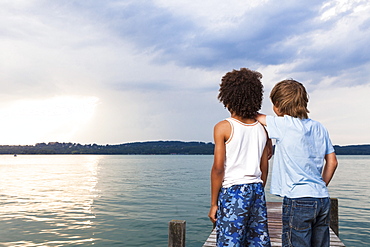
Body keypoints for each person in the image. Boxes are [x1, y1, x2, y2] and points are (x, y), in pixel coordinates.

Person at [256, 79, 338, 247]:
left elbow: (253, 116)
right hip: (322, 198)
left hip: (298, 198)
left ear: (277, 104)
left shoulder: (283, 124)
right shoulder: (319, 127)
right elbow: (333, 162)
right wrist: (320, 185)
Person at [208, 68, 271, 247]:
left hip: (233, 192)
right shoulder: (263, 129)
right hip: (257, 190)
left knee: (231, 241)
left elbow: (218, 168)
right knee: (257, 240)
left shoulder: (223, 127)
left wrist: (214, 204)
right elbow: (264, 168)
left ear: (227, 98)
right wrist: (257, 188)